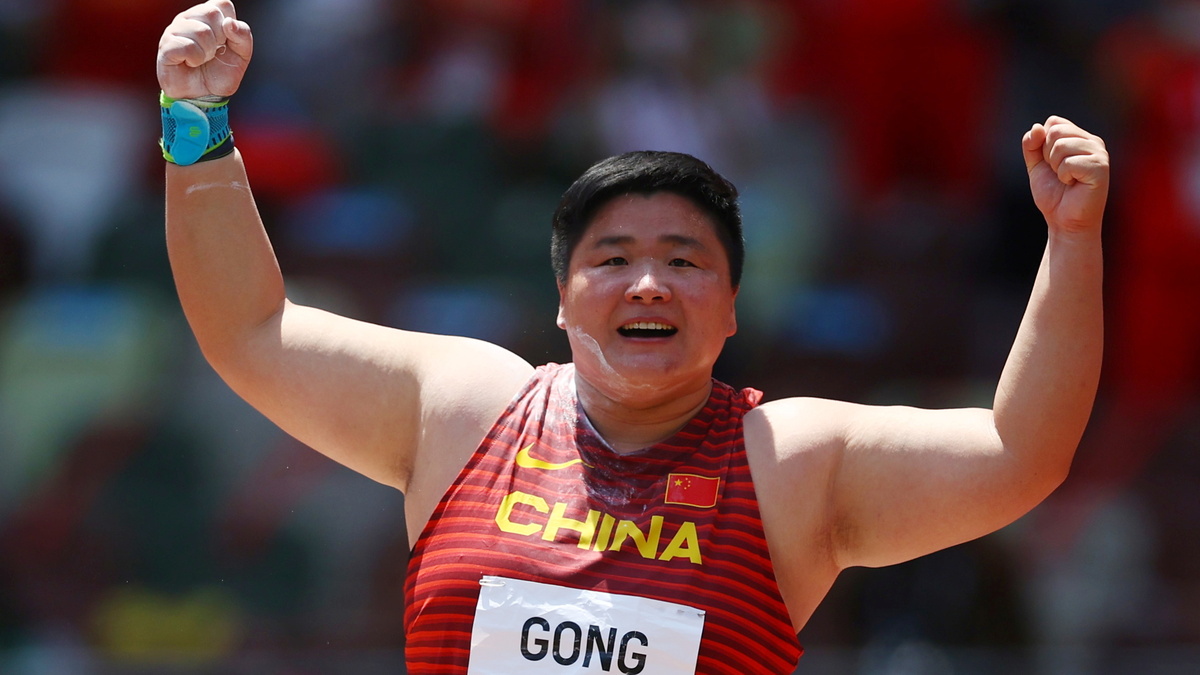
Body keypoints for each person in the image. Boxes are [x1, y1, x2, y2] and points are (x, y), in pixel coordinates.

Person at [157, 1, 1108, 672]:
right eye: (612, 258)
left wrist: (1071, 240)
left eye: (685, 261)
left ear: (731, 311)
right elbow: (251, 328)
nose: (648, 282)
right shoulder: (464, 406)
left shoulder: (788, 462)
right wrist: (195, 123)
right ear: (563, 301)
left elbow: (1019, 451)